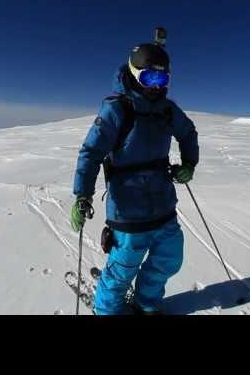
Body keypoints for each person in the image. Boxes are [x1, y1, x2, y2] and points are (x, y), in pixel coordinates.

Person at [70, 36, 199, 315]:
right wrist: (82, 194)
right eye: (150, 77)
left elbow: (188, 132)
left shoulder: (167, 110)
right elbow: (91, 152)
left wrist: (189, 163)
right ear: (134, 73)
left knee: (170, 258)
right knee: (123, 268)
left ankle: (146, 304)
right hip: (128, 210)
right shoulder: (118, 109)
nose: (156, 86)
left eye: (162, 80)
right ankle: (106, 311)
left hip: (163, 203)